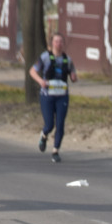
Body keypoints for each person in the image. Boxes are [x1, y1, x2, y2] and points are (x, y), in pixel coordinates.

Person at [28, 32, 77, 163]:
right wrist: (40, 81)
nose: (58, 44)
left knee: (60, 124)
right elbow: (32, 71)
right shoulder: (45, 57)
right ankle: (44, 135)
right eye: (56, 41)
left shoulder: (68, 59)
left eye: (61, 41)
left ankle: (55, 150)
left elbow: (73, 75)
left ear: (63, 44)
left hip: (62, 97)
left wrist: (73, 77)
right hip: (47, 96)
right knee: (50, 124)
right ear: (52, 43)